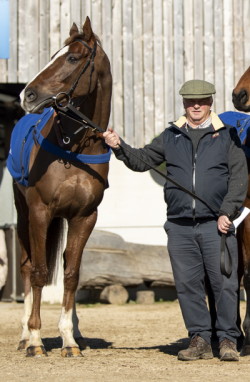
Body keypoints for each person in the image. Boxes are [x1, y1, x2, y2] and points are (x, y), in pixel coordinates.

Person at [103, 79, 248, 362]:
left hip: (215, 225)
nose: (196, 106)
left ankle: (228, 340)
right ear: (184, 103)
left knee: (225, 285)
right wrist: (119, 146)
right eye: (191, 101)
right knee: (188, 285)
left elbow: (239, 179)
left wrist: (227, 212)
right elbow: (141, 160)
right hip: (179, 225)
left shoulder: (228, 136)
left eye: (202, 101)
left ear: (210, 103)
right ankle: (199, 339)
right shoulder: (170, 136)